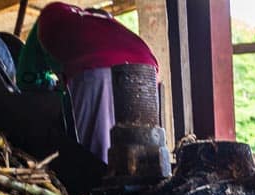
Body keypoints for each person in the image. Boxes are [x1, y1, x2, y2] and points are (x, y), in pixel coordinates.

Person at [16, 3, 157, 163]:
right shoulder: (104, 26)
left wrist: (54, 89)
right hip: (147, 70)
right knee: (140, 158)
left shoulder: (50, 17)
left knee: (95, 159)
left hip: (96, 71)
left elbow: (26, 79)